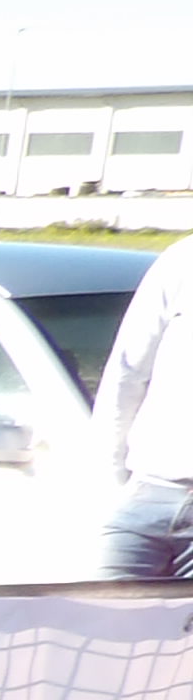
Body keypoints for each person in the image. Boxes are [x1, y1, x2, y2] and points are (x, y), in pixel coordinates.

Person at [91, 234, 193, 580]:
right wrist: (110, 483)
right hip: (145, 496)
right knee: (100, 612)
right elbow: (126, 373)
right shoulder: (183, 259)